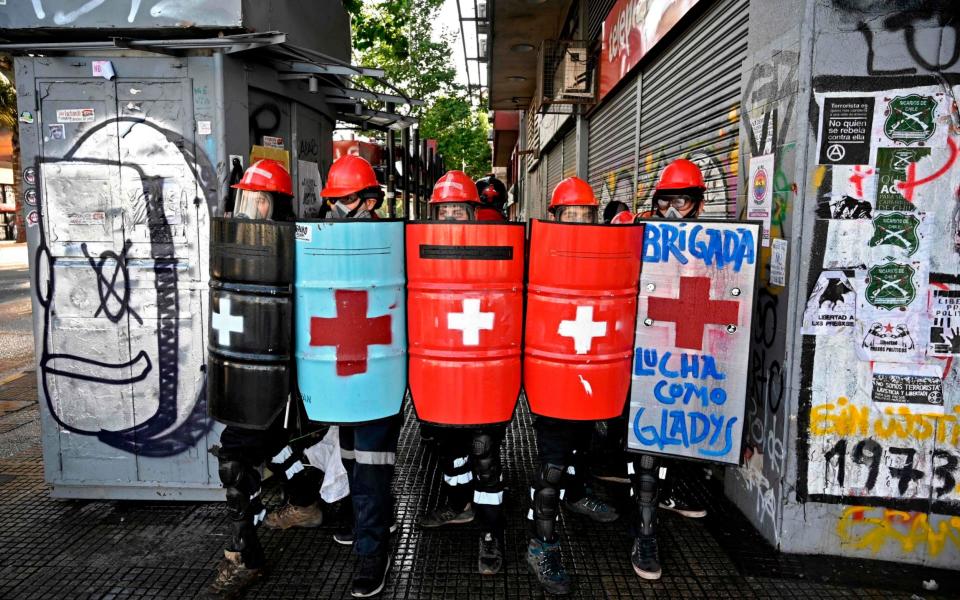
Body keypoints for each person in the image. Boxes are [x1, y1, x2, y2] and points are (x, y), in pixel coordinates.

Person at [209, 159, 324, 599]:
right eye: (245, 199)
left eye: (258, 200)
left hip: (276, 380)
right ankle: (306, 502)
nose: (249, 208)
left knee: (236, 460)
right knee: (272, 446)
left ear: (276, 204)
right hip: (250, 374)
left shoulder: (296, 244)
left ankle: (245, 555)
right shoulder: (240, 244)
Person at [526, 177, 621, 596]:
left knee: (584, 444)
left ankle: (578, 493)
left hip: (591, 369)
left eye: (586, 215)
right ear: (555, 217)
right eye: (570, 215)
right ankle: (540, 544)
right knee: (552, 463)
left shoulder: (606, 253)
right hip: (552, 372)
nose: (579, 222)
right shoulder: (539, 253)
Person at [415, 170, 509, 574]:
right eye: (445, 210)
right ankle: (459, 505)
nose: (452, 217)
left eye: (460, 210)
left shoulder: (496, 249)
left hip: (486, 371)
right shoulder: (418, 247)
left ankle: (490, 534)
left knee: (484, 454)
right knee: (450, 452)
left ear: (475, 213)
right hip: (441, 373)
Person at [320, 154, 402, 598]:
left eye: (349, 199)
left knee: (372, 464)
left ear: (370, 201)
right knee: (351, 455)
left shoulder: (388, 242)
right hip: (340, 371)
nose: (340, 207)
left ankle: (374, 551)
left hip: (377, 370)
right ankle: (369, 519)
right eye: (337, 199)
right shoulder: (323, 243)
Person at [629, 158, 711, 584]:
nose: (675, 209)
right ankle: (645, 534)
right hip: (647, 353)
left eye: (684, 200)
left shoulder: (717, 242)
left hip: (689, 351)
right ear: (656, 202)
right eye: (667, 201)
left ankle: (683, 493)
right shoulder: (639, 236)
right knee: (647, 442)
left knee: (684, 426)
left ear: (698, 203)